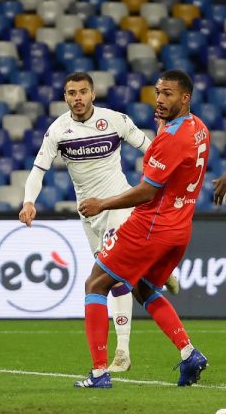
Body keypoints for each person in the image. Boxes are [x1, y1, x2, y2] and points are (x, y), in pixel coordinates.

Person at [18, 71, 177, 373]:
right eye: (71, 93)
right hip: (89, 214)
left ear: (93, 94)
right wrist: (29, 201)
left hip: (119, 205)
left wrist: (165, 139)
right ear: (64, 97)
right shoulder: (57, 131)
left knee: (113, 279)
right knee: (121, 277)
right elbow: (38, 170)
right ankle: (155, 271)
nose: (77, 98)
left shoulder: (115, 120)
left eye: (82, 92)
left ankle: (122, 351)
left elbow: (150, 150)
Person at [74, 70, 209, 388]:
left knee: (95, 284)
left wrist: (102, 204)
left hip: (150, 227)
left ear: (185, 98)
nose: (160, 99)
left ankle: (98, 374)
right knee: (144, 288)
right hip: (180, 229)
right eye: (158, 92)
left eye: (168, 94)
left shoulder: (171, 140)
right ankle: (189, 354)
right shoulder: (199, 128)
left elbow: (147, 192)